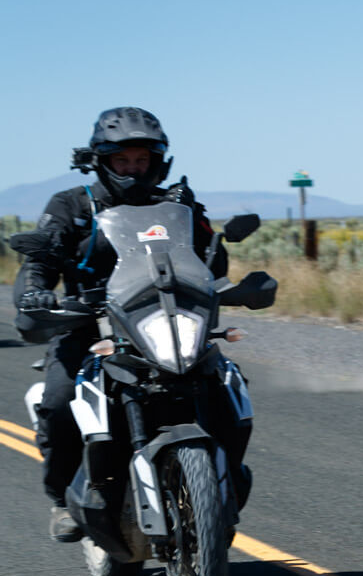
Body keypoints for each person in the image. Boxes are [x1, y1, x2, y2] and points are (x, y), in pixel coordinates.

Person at [14, 107, 230, 541]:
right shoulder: (72, 205)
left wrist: (225, 277)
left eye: (141, 160)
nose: (133, 169)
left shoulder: (176, 204)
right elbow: (40, 260)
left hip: (165, 320)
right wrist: (37, 290)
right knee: (59, 402)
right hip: (89, 325)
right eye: (123, 160)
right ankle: (62, 498)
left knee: (226, 386)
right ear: (102, 160)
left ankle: (222, 488)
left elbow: (214, 260)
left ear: (156, 162)